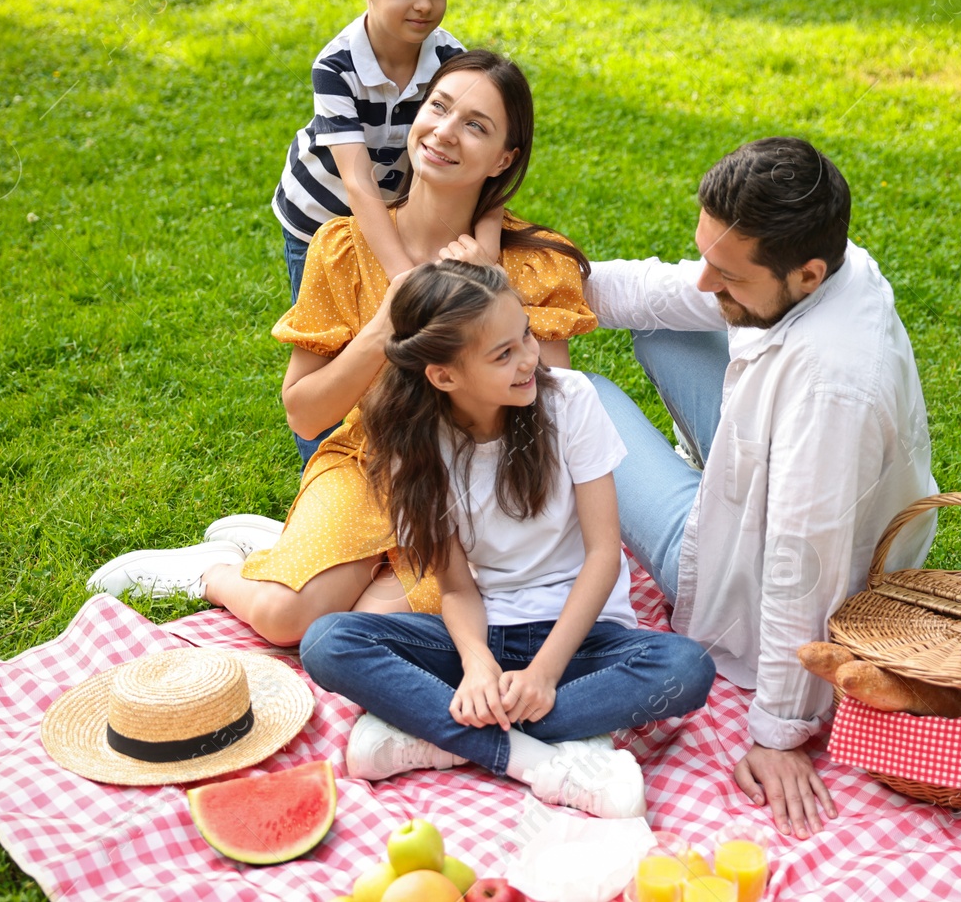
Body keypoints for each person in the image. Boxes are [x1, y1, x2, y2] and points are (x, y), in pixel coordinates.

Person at [88, 51, 598, 644]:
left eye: (477, 126)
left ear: (504, 158)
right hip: (367, 462)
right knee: (286, 621)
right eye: (439, 107)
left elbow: (548, 411)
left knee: (360, 630)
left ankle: (286, 549)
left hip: (475, 487)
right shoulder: (343, 248)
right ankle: (216, 572)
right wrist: (386, 325)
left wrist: (493, 296)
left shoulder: (534, 265)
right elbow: (305, 411)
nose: (445, 132)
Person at [583, 136, 938, 839]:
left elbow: (801, 567)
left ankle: (679, 493)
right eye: (707, 256)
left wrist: (778, 732)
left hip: (743, 562)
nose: (708, 283)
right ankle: (696, 464)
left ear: (805, 275)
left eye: (730, 275)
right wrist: (530, 280)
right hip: (771, 470)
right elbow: (681, 287)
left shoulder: (834, 392)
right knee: (662, 324)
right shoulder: (833, 261)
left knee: (576, 397)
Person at [301, 260, 715, 819]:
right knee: (327, 642)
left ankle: (440, 736)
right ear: (444, 376)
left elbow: (602, 556)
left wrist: (544, 674)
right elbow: (455, 589)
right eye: (504, 354)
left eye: (525, 334)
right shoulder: (412, 448)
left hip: (584, 643)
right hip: (488, 638)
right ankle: (526, 756)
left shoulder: (569, 400)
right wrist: (475, 665)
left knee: (686, 669)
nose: (530, 358)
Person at [269, 0, 504, 466]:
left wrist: (489, 252)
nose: (426, 6)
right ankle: (320, 467)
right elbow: (356, 184)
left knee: (396, 338)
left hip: (392, 205)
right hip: (321, 217)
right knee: (333, 342)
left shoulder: (451, 58)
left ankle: (401, 450)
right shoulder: (337, 66)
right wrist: (406, 276)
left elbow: (493, 168)